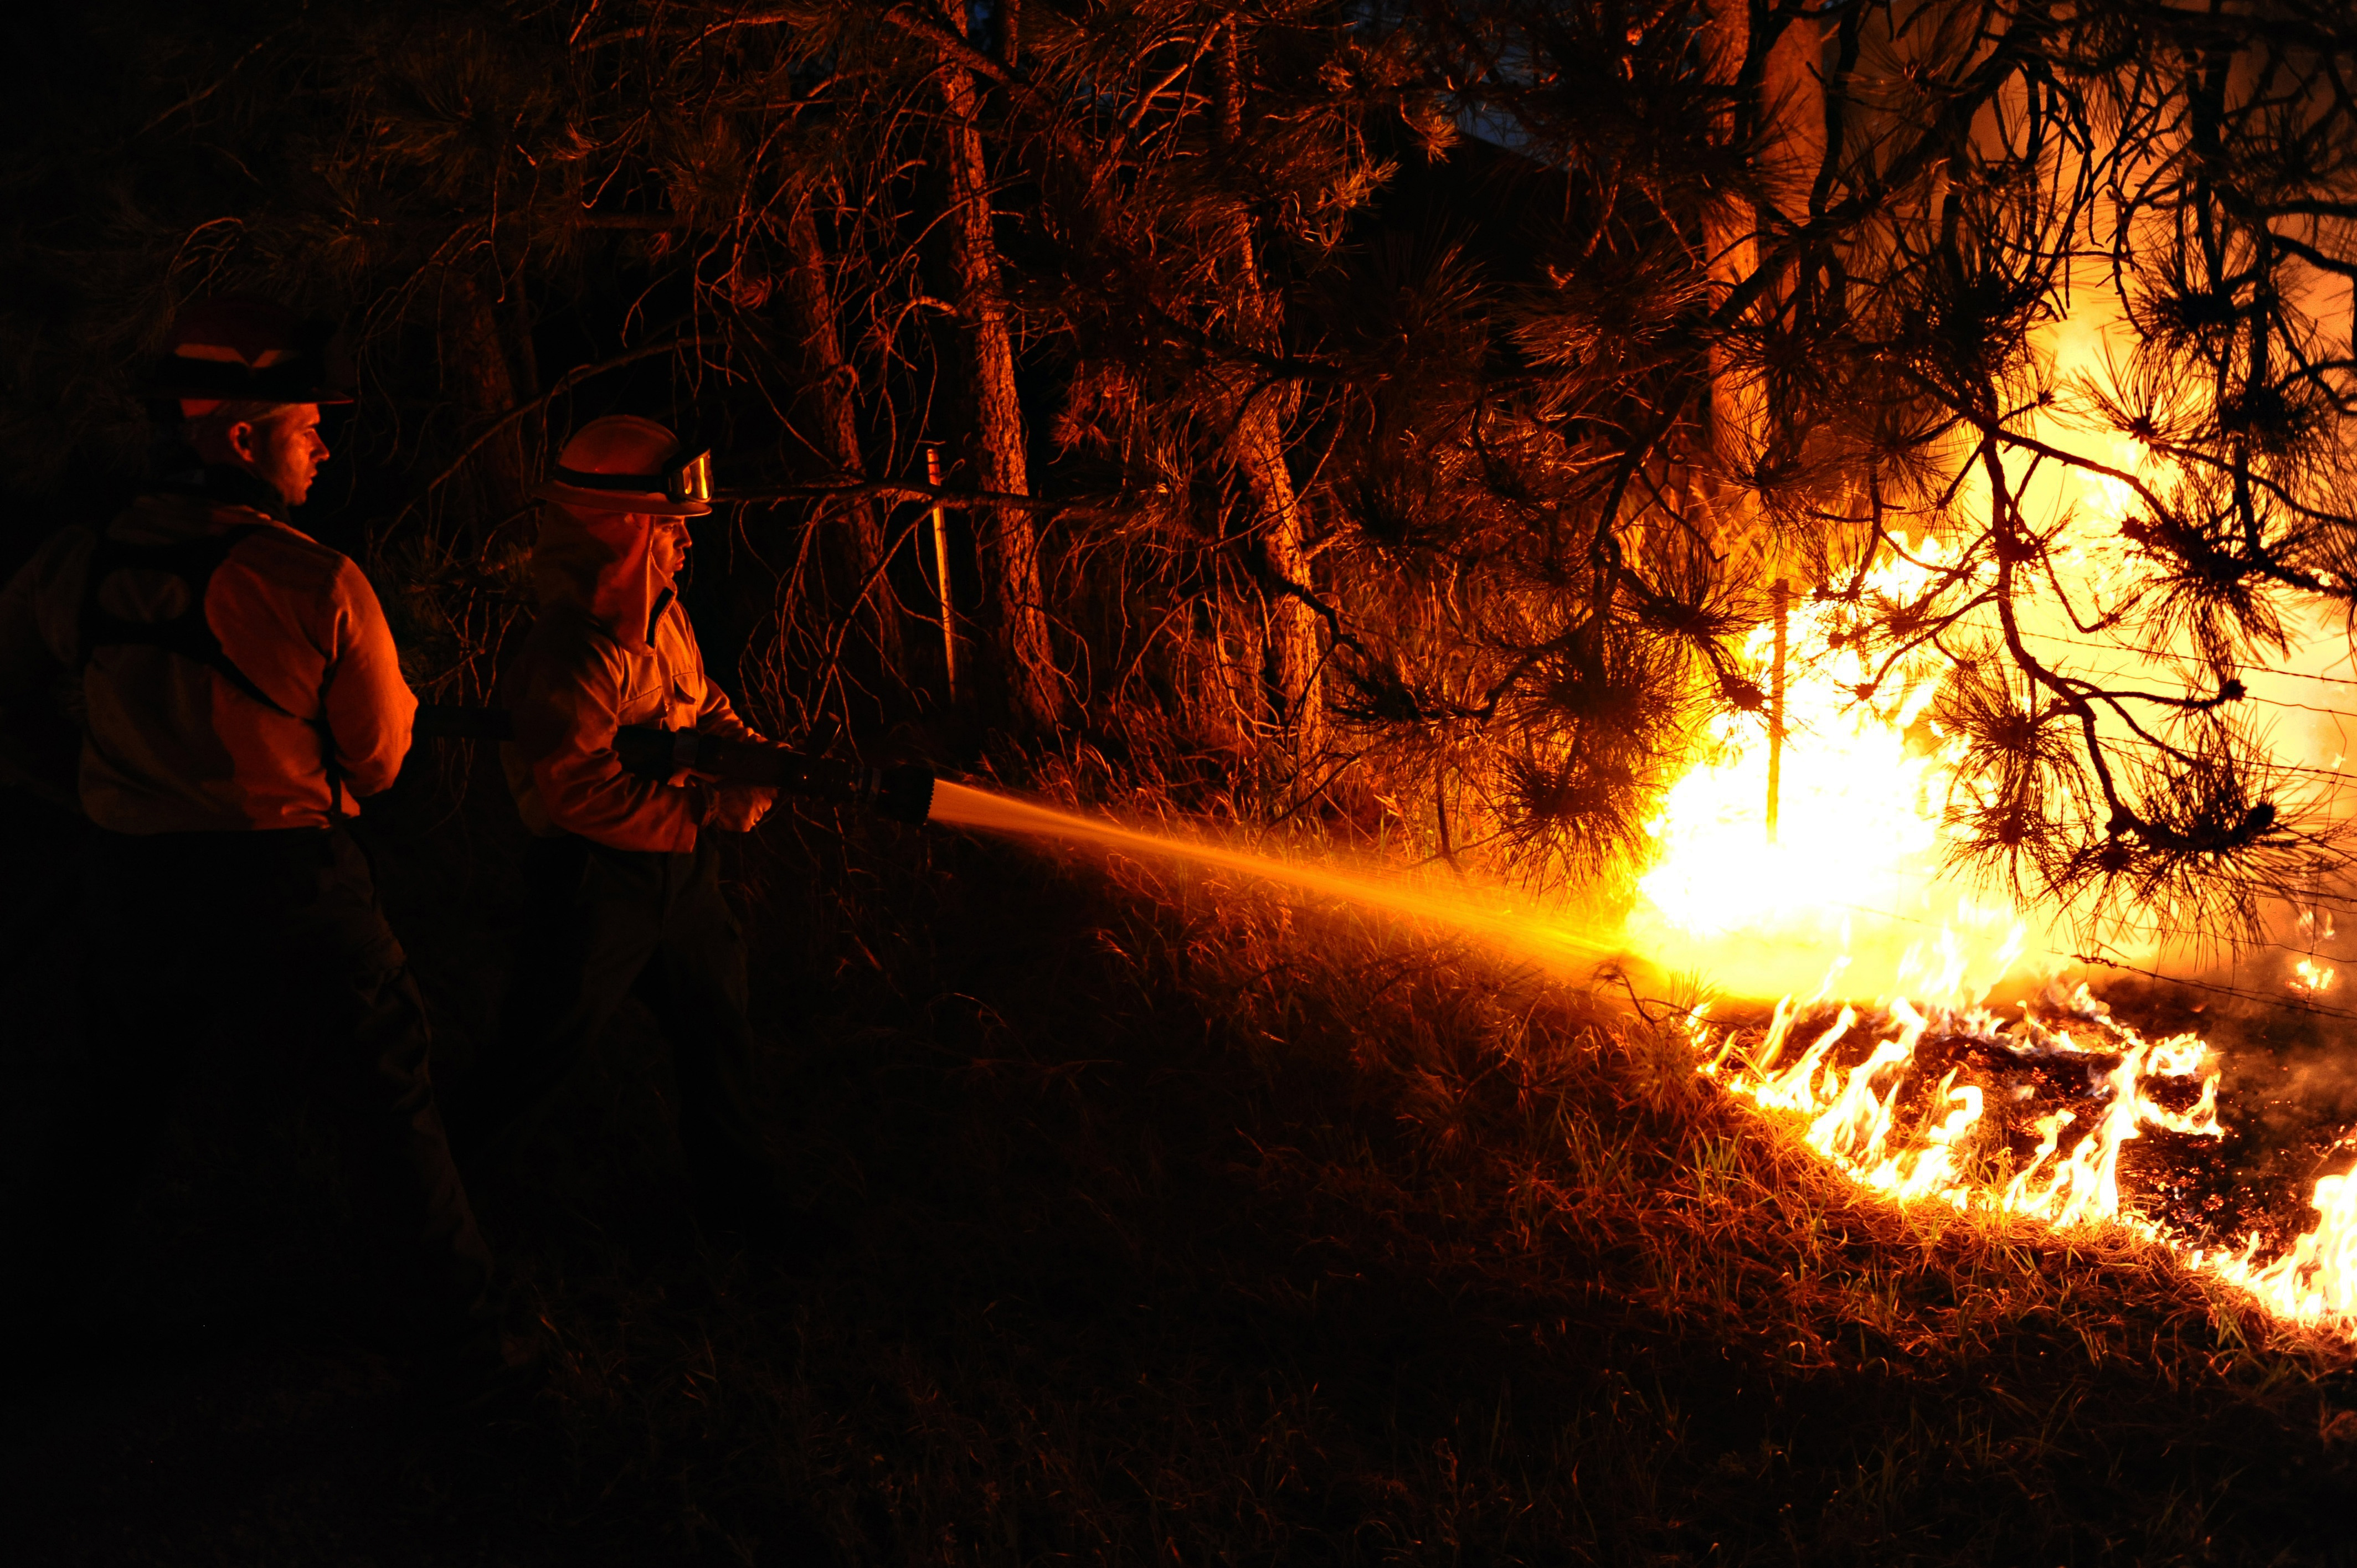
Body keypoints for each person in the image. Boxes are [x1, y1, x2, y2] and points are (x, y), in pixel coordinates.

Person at [0, 296, 519, 1405]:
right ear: (241, 440)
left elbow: (12, 694)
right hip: (291, 886)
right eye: (303, 424)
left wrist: (91, 771)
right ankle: (461, 1342)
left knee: (104, 1108)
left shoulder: (76, 565)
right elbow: (378, 764)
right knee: (384, 1109)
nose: (325, 444)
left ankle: (31, 1320)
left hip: (135, 885)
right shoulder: (315, 582)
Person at [442, 416, 808, 1250]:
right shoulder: (574, 653)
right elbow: (575, 790)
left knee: (717, 1025)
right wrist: (706, 811)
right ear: (626, 528)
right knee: (539, 1051)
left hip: (678, 878)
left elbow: (700, 700)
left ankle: (745, 1209)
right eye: (672, 528)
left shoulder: (664, 619)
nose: (685, 546)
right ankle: (440, 1219)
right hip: (594, 886)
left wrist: (749, 754)